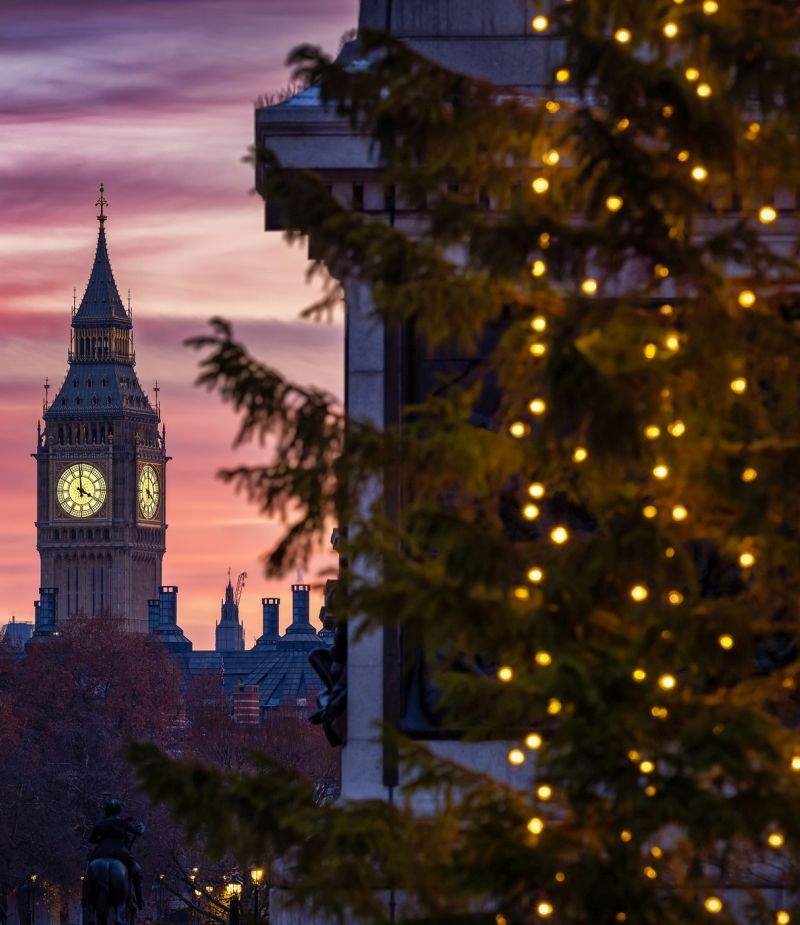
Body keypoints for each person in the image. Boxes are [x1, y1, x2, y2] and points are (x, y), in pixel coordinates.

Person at [87, 800, 145, 909]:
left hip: (100, 852)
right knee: (137, 873)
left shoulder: (99, 823)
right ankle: (139, 901)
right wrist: (142, 827)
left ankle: (86, 900)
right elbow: (138, 832)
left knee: (87, 873)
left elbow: (93, 840)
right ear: (118, 810)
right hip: (120, 852)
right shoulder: (123, 822)